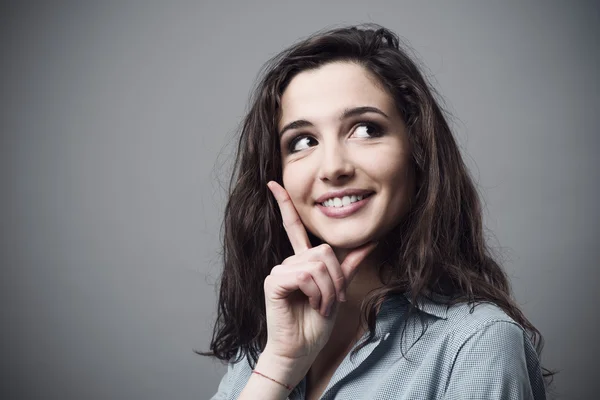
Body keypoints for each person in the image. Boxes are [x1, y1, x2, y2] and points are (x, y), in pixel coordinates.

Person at [202, 24, 552, 399]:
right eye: (303, 141)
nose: (333, 167)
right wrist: (278, 368)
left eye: (366, 129)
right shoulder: (266, 341)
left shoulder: (478, 345)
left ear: (417, 152)